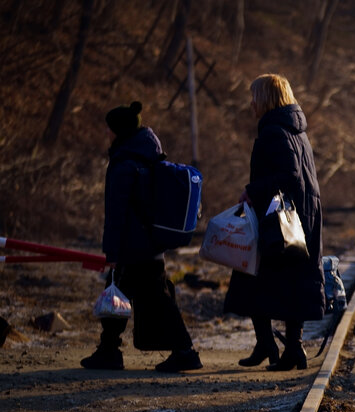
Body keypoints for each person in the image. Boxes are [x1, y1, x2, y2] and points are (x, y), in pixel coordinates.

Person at [81, 101, 202, 372]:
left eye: (110, 130)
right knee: (119, 293)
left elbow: (116, 213)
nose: (107, 135)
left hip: (134, 247)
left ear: (120, 132)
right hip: (149, 243)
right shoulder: (147, 156)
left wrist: (110, 253)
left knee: (152, 298)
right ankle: (109, 349)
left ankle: (184, 351)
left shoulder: (124, 164)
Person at [224, 74, 325, 371]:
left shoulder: (274, 131)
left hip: (280, 220)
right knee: (291, 283)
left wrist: (251, 191)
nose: (251, 103)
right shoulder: (296, 130)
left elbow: (290, 175)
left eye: (255, 96)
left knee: (257, 275)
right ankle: (289, 348)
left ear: (267, 98)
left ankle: (273, 344)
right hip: (301, 217)